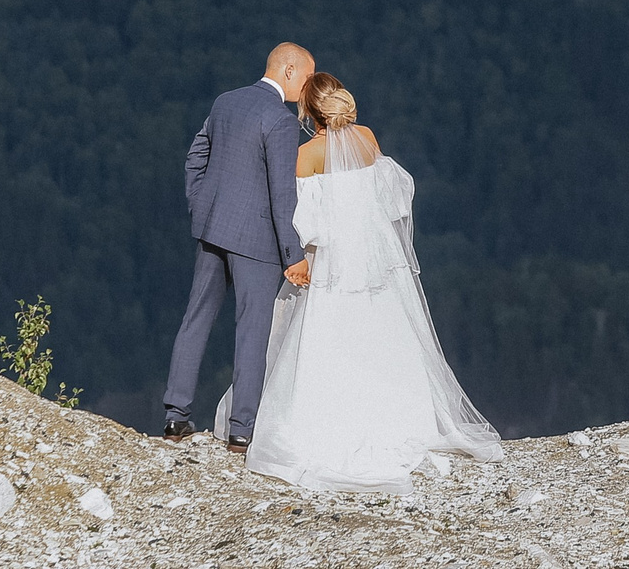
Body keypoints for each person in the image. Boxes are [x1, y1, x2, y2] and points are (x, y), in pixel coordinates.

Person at [214, 71, 503, 491]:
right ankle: (400, 419)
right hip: (374, 258)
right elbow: (390, 195)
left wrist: (296, 256)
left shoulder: (307, 155)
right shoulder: (367, 138)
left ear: (308, 112)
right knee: (383, 335)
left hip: (332, 261)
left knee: (320, 338)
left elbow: (302, 219)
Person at [163, 42, 315, 450]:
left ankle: (175, 417)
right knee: (252, 332)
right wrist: (293, 254)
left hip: (213, 232)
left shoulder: (226, 101)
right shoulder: (281, 121)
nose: (307, 85)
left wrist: (202, 206)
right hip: (257, 241)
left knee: (196, 319)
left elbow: (195, 156)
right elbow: (283, 195)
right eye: (305, 76)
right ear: (287, 70)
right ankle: (241, 430)